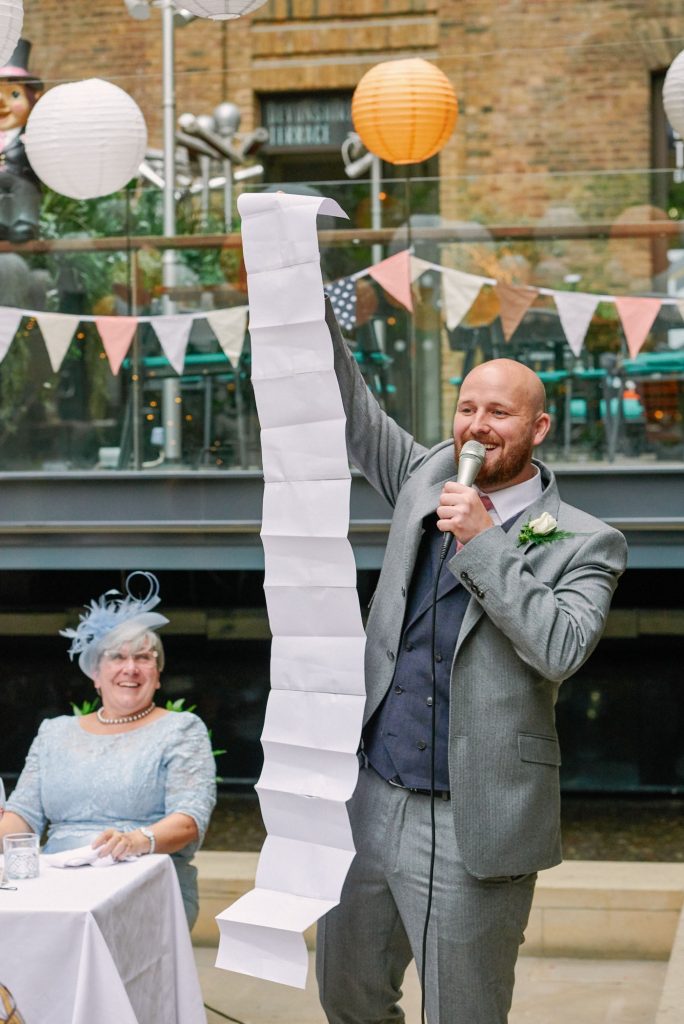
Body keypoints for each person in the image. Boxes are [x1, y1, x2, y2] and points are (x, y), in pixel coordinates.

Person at [315, 300, 628, 1024]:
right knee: (347, 994)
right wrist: (307, 308)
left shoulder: (587, 541)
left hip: (474, 822)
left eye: (499, 413)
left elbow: (561, 649)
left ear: (538, 428)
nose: (477, 428)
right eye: (466, 409)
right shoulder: (423, 476)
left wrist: (486, 541)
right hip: (370, 799)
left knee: (464, 1013)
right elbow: (351, 411)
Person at [0, 572, 216, 929]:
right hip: (58, 886)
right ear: (96, 674)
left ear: (158, 674)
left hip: (142, 882)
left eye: (144, 658)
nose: (130, 668)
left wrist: (136, 841)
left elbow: (189, 820)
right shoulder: (54, 733)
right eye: (117, 657)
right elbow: (23, 816)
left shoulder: (181, 730)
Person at [0, 39, 43, 243]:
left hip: (21, 179)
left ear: (33, 97)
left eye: (14, 94)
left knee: (24, 190)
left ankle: (23, 222)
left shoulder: (32, 135)